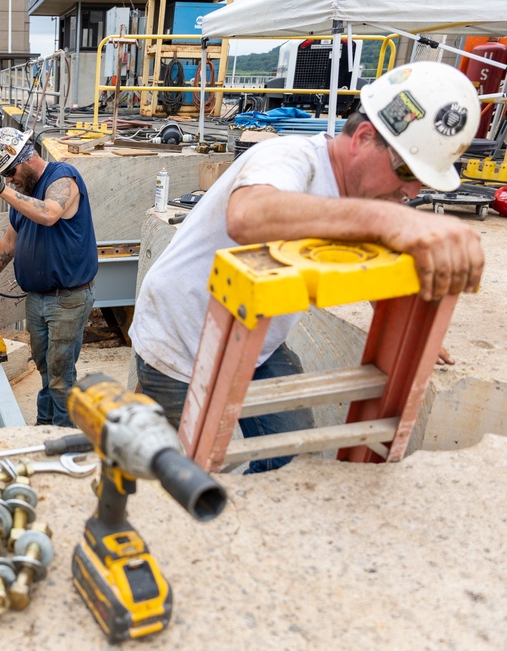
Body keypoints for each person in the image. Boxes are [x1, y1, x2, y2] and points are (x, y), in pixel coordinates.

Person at [130, 61, 484, 473]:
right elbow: (248, 216)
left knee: (294, 462)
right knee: (202, 481)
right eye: (407, 170)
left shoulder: (364, 197)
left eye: (422, 180)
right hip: (180, 343)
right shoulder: (290, 156)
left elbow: (360, 241)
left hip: (254, 339)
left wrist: (407, 326)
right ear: (365, 137)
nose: (411, 190)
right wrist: (390, 221)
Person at [0, 127, 98, 427]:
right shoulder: (24, 195)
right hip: (38, 299)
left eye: (11, 172)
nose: (10, 179)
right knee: (45, 367)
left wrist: (3, 191)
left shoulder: (63, 178)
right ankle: (45, 425)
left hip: (67, 299)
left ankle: (65, 435)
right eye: (4, 176)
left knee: (60, 371)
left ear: (27, 159)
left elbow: (49, 214)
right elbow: (9, 241)